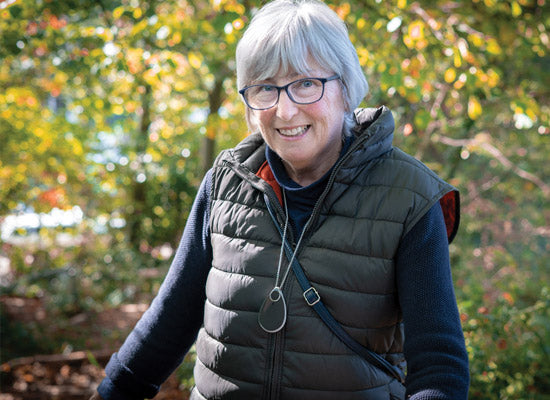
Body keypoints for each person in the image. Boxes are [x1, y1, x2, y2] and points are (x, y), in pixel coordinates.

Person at [92, 0, 469, 398]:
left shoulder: (410, 199)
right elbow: (169, 322)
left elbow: (439, 369)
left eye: (306, 83)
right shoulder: (225, 183)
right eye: (265, 88)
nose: (285, 111)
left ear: (345, 88)